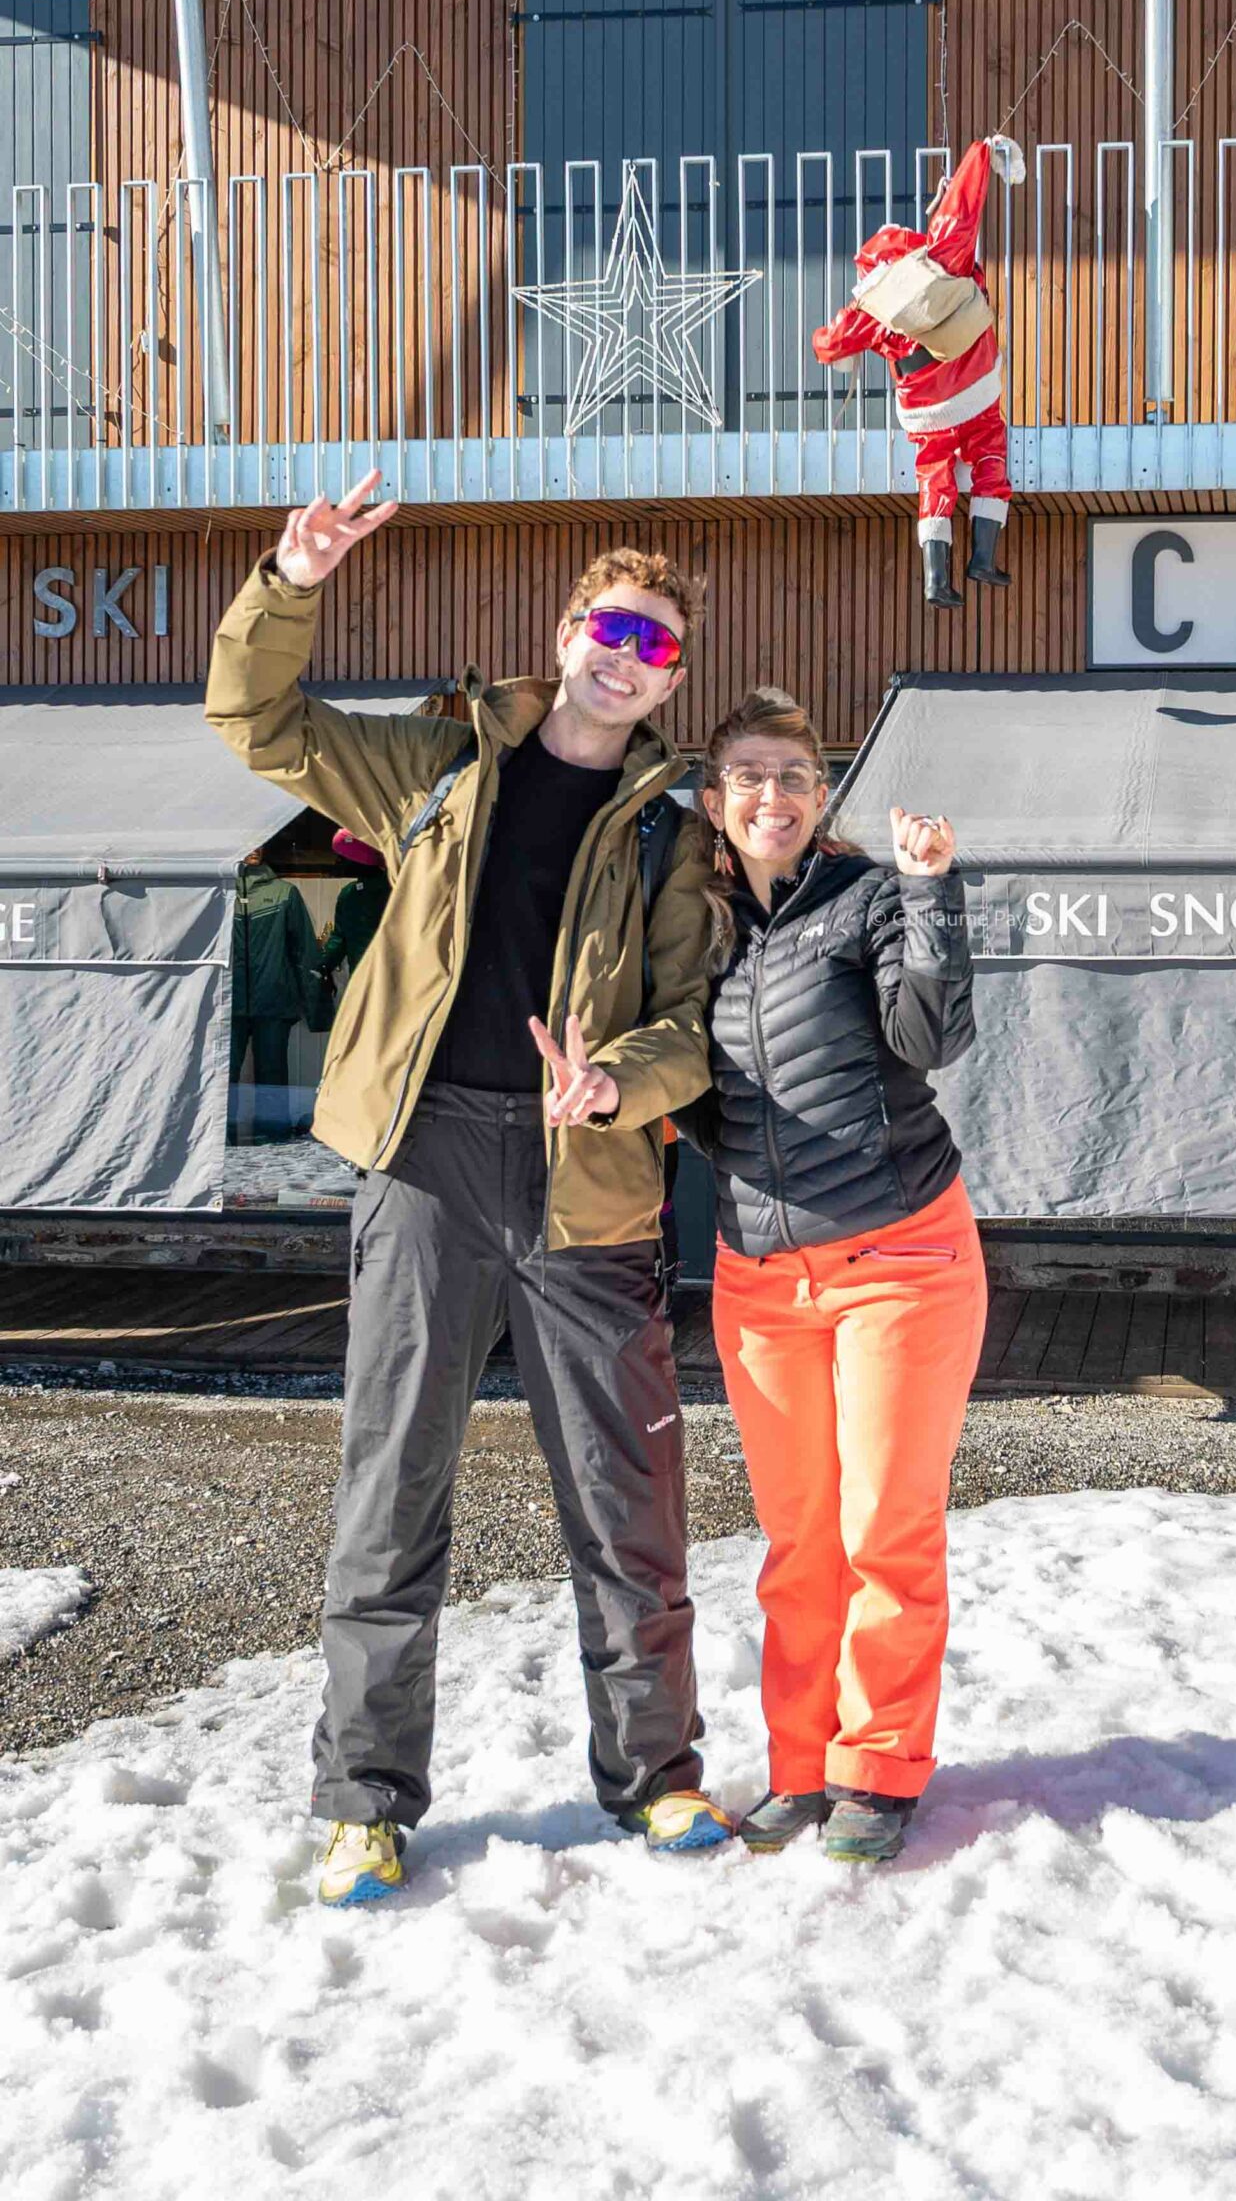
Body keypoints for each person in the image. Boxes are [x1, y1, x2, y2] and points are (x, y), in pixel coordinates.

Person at [206, 472, 728, 1908]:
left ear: (670, 677)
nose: (630, 656)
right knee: (392, 1490)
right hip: (426, 1159)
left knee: (626, 1502)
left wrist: (618, 1081)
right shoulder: (439, 764)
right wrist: (291, 582)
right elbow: (254, 717)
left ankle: (658, 1774)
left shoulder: (670, 834)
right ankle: (364, 1801)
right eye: (614, 627)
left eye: (659, 644)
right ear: (567, 635)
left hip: (590, 1182)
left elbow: (694, 1024)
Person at [680, 686, 985, 1865]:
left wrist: (931, 892)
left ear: (821, 795)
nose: (774, 794)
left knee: (882, 1530)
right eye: (750, 775)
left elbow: (931, 1039)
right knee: (799, 1539)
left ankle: (878, 1767)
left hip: (898, 1254)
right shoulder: (694, 927)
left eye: (796, 776)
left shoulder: (866, 898)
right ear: (715, 798)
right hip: (759, 1277)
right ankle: (801, 1766)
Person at [812, 133, 1025, 611]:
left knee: (935, 477)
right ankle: (983, 559)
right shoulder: (941, 260)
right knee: (990, 458)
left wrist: (832, 346)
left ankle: (936, 580)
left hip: (925, 411)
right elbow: (961, 210)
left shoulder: (869, 310)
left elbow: (829, 343)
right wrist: (983, 153)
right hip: (975, 388)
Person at [228, 848, 329, 1142]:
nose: (255, 849)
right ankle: (219, 1137)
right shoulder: (220, 893)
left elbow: (304, 951)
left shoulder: (284, 893)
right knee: (223, 1075)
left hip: (274, 999)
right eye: (250, 842)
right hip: (227, 1002)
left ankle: (273, 1137)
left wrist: (317, 1011)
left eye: (261, 843)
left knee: (272, 1075)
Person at [319, 828, 391, 983]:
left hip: (390, 979)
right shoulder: (349, 894)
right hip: (361, 980)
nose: (339, 861)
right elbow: (340, 938)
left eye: (343, 856)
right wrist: (323, 966)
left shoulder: (393, 890)